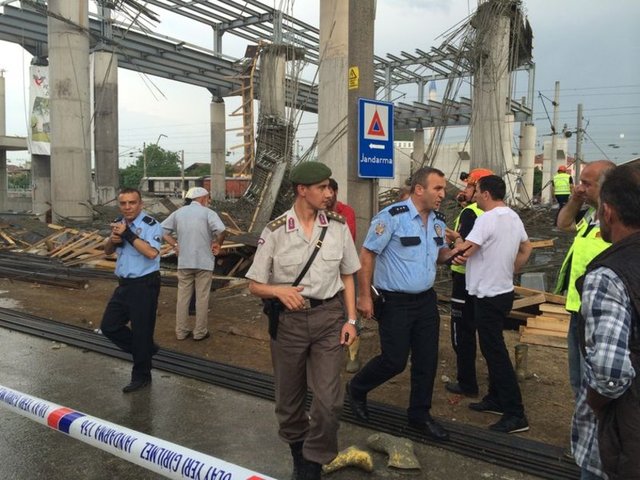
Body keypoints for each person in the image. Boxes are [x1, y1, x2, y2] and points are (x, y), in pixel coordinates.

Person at [245, 161, 360, 480]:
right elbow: (254, 285)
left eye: (329, 187)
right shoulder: (276, 231)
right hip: (289, 323)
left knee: (329, 401)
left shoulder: (337, 227)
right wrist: (278, 291)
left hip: (329, 317)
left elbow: (348, 275)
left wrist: (351, 320)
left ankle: (312, 463)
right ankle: (299, 453)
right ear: (302, 190)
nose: (329, 193)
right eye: (322, 188)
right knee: (289, 399)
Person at [346, 166, 460, 442]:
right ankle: (357, 389)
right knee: (394, 360)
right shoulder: (391, 217)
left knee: (427, 360)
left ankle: (419, 415)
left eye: (443, 189)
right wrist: (364, 296)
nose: (443, 194)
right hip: (395, 301)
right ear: (419, 189)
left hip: (426, 301)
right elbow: (367, 255)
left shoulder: (437, 221)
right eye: (438, 188)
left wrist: (453, 254)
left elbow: (438, 254)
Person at [572, 162, 640, 479]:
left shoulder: (609, 276)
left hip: (618, 442)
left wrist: (594, 402)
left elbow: (610, 375)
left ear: (609, 212)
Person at [452, 175, 532, 433]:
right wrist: (510, 269)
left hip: (487, 295)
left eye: (476, 191)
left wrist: (454, 240)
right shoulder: (513, 216)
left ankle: (515, 413)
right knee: (493, 348)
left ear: (486, 194)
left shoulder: (486, 219)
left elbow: (465, 252)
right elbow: (527, 248)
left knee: (495, 353)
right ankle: (496, 398)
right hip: (502, 292)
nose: (473, 195)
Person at [554, 160, 616, 399]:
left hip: (601, 310)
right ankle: (582, 416)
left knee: (592, 378)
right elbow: (563, 224)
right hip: (578, 306)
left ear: (606, 186)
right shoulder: (591, 215)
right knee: (577, 377)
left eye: (586, 184)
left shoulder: (618, 219)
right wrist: (575, 199)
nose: (580, 188)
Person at [100, 188, 163, 393]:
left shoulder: (150, 225)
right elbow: (107, 251)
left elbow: (151, 253)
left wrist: (127, 234)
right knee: (109, 326)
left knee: (142, 330)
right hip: (124, 284)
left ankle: (141, 377)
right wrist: (112, 240)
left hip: (144, 284)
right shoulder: (119, 223)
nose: (127, 207)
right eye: (123, 203)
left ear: (140, 204)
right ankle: (146, 349)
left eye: (132, 203)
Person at [446, 168, 494, 397]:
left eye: (468, 186)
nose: (464, 190)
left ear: (478, 189)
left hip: (463, 280)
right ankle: (494, 382)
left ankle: (467, 382)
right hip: (485, 280)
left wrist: (452, 242)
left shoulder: (470, 214)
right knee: (486, 333)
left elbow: (464, 246)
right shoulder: (497, 213)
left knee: (462, 332)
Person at [161, 186, 226, 341]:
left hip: (184, 261)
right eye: (207, 198)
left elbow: (162, 230)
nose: (208, 201)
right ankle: (200, 332)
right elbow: (221, 230)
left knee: (183, 297)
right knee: (202, 298)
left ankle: (181, 331)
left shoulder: (178, 213)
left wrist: (175, 245)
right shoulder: (208, 213)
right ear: (202, 198)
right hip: (204, 261)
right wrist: (218, 244)